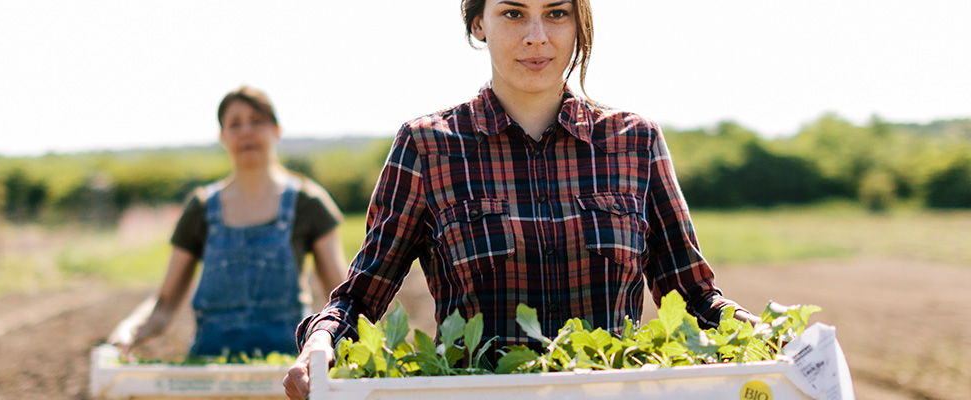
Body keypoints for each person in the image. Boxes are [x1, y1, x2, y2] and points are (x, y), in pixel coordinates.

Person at [283, 0, 760, 397]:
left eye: (556, 13)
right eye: (513, 13)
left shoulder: (634, 141)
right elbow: (359, 300)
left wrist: (762, 333)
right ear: (478, 24)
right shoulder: (428, 146)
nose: (536, 36)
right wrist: (321, 343)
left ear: (579, 23)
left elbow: (695, 298)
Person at [107, 86, 347, 358]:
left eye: (257, 121)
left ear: (276, 130)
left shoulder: (309, 203)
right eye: (235, 124)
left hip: (289, 374)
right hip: (209, 372)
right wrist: (127, 331)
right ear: (223, 136)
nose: (246, 131)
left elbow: (341, 303)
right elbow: (163, 306)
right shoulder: (200, 209)